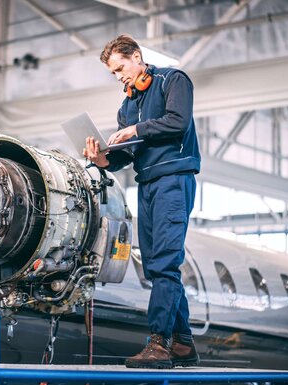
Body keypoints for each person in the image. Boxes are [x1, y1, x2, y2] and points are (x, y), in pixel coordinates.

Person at [83, 34, 201, 369]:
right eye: (114, 73)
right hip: (148, 184)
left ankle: (159, 343)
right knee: (154, 266)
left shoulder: (172, 80)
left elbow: (178, 122)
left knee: (164, 262)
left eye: (121, 67)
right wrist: (101, 158)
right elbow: (126, 156)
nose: (119, 76)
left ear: (136, 57)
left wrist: (135, 130)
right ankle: (182, 343)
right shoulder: (128, 105)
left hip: (174, 180)